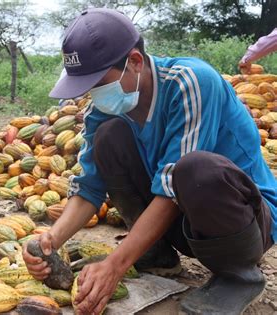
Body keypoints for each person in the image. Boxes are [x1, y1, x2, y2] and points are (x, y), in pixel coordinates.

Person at [22, 8, 276, 315]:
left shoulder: (191, 82)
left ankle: (238, 276)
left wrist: (115, 264)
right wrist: (51, 239)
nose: (94, 94)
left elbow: (171, 188)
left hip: (244, 223)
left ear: (136, 62)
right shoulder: (102, 111)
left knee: (196, 169)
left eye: (100, 82)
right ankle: (156, 255)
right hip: (183, 222)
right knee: (108, 137)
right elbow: (89, 188)